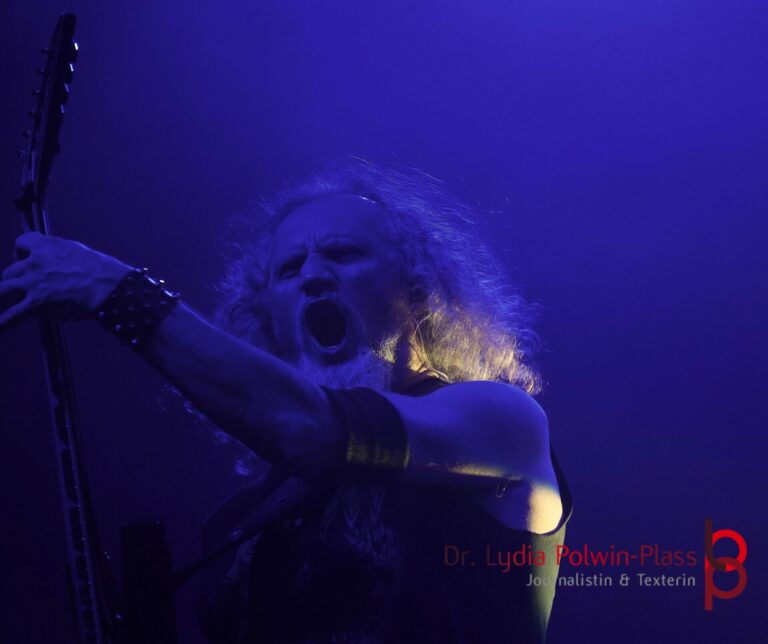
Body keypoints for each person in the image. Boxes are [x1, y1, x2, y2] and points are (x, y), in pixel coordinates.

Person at [0, 160, 571, 643]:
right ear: (267, 314)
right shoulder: (239, 522)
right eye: (289, 268)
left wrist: (120, 294)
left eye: (344, 252)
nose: (313, 276)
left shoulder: (500, 422)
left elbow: (315, 430)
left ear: (418, 289)